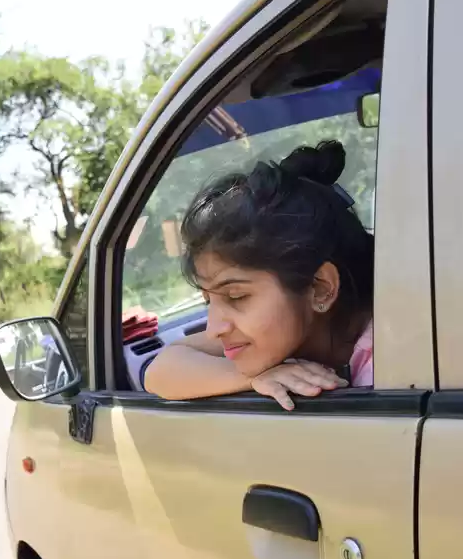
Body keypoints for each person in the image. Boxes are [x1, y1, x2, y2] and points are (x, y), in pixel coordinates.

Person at [143, 140, 374, 410]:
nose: (214, 329)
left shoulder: (389, 368)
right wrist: (252, 378)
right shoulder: (284, 338)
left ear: (320, 287)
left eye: (236, 296)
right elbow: (159, 371)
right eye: (209, 301)